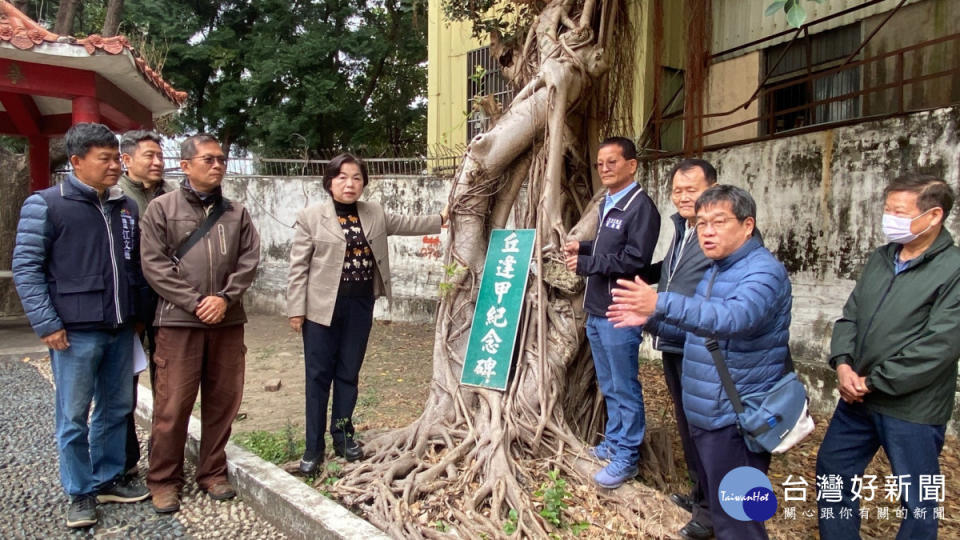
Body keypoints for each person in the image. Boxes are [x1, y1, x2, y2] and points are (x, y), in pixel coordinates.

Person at [608, 185, 791, 540]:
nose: (707, 231)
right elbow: (699, 324)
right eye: (702, 223)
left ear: (747, 225)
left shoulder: (764, 272)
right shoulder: (717, 270)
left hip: (737, 417)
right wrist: (648, 318)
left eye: (718, 222)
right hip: (709, 409)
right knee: (722, 511)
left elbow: (733, 319)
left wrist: (659, 302)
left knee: (740, 519)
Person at [12, 122, 150, 529]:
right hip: (73, 332)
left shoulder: (124, 207)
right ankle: (80, 491)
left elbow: (133, 266)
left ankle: (108, 478)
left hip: (120, 328)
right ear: (76, 162)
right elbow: (27, 268)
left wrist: (138, 315)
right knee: (73, 416)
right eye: (104, 159)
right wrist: (46, 323)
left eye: (116, 158)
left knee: (116, 407)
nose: (114, 166)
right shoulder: (46, 205)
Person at [816, 174, 960, 540]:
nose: (889, 219)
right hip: (857, 397)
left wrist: (875, 381)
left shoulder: (953, 269)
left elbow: (939, 345)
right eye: (887, 210)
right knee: (834, 471)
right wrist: (843, 363)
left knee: (918, 496)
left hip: (911, 405)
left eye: (899, 212)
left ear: (934, 216)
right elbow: (851, 315)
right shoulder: (881, 258)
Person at [286, 153, 444, 475]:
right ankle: (312, 448)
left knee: (348, 373)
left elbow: (408, 224)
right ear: (330, 182)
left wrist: (442, 218)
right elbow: (298, 267)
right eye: (342, 177)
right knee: (318, 378)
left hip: (359, 306)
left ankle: (343, 437)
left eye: (356, 177)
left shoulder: (374, 213)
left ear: (364, 183)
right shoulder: (311, 216)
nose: (350, 183)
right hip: (320, 310)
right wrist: (296, 310)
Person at [139, 134, 260, 514]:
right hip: (178, 322)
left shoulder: (236, 212)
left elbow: (249, 261)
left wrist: (224, 298)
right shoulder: (161, 208)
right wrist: (195, 302)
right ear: (186, 165)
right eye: (208, 159)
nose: (217, 165)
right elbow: (154, 265)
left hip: (227, 321)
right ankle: (163, 480)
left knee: (223, 401)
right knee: (173, 405)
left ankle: (211, 472)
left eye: (221, 159)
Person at [562, 136, 660, 489]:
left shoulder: (641, 207)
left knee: (625, 385)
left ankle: (627, 458)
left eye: (612, 162)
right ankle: (614, 442)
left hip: (621, 311)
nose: (604, 168)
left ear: (631, 165)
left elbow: (635, 259)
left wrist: (586, 262)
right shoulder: (608, 204)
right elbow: (607, 246)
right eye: (600, 163)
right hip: (597, 310)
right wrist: (583, 245)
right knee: (609, 384)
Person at [645, 159, 717, 540]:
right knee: (688, 424)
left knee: (707, 427)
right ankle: (699, 496)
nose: (684, 196)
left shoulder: (720, 232)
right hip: (674, 339)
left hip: (703, 344)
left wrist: (653, 307)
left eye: (692, 189)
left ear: (714, 187)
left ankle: (712, 514)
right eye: (678, 190)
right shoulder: (683, 227)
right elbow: (671, 271)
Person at [117, 129, 176, 480]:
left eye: (159, 155)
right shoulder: (116, 199)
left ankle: (163, 458)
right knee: (123, 385)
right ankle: (125, 461)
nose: (157, 162)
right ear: (127, 160)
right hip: (128, 306)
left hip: (168, 302)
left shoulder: (173, 196)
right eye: (148, 156)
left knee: (169, 383)